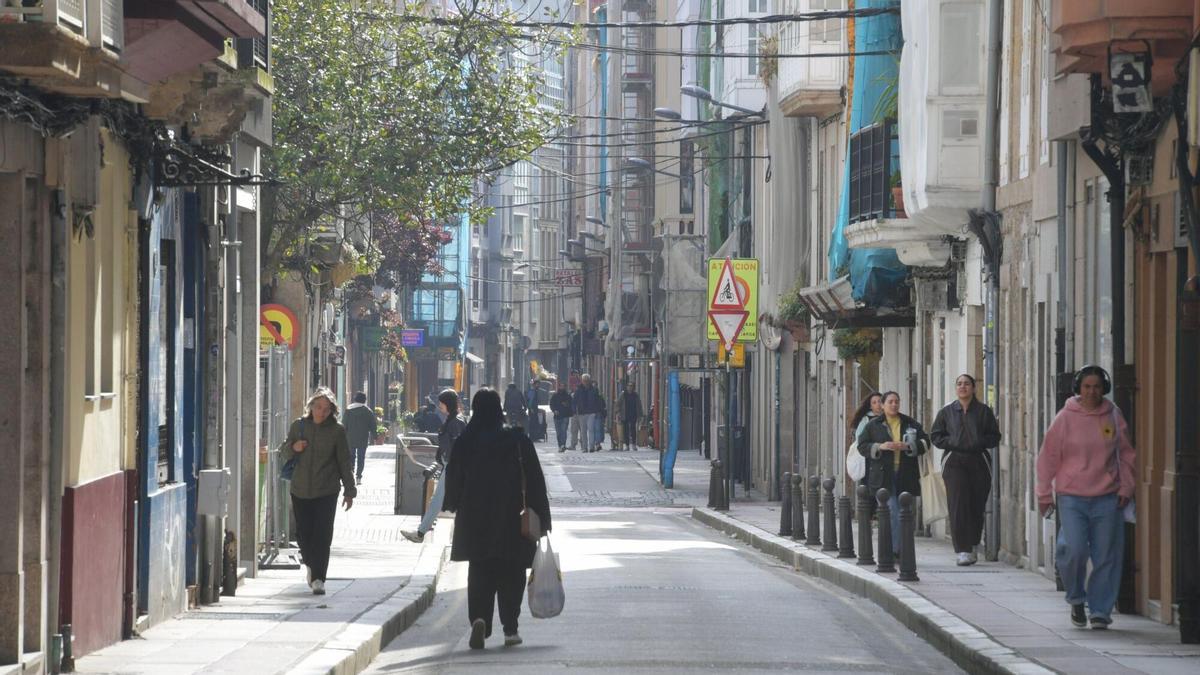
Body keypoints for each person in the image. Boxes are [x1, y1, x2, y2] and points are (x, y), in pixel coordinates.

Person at [444, 388, 551, 649]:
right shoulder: (517, 440)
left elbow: (454, 476)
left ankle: (480, 619)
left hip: (475, 518)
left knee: (479, 571)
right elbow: (535, 479)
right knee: (512, 572)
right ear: (499, 409)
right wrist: (543, 518)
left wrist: (452, 503)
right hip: (512, 518)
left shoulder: (466, 440)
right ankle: (510, 628)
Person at [1036, 365, 1135, 630]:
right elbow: (1048, 457)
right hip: (1072, 497)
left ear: (1105, 388)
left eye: (1097, 387)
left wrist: (1126, 487)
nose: (1092, 392)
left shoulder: (1113, 415)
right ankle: (1076, 598)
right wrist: (1044, 493)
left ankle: (1100, 610)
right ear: (1078, 388)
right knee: (1074, 550)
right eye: (1087, 387)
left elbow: (1126, 454)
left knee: (1106, 555)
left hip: (1107, 496)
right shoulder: (1065, 418)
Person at [278, 387, 356, 595]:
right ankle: (311, 565)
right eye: (319, 407)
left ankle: (319, 578)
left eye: (327, 409)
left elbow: (344, 461)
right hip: (300, 489)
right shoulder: (298, 426)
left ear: (332, 411)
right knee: (303, 534)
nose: (322, 412)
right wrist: (294, 447)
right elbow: (283, 451)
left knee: (322, 534)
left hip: (327, 490)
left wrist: (350, 490)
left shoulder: (337, 431)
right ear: (311, 406)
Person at [930, 374, 1002, 566]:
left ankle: (973, 544)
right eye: (959, 384)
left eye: (967, 384)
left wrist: (979, 442)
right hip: (954, 461)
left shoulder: (983, 411)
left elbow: (995, 436)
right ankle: (962, 550)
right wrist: (952, 442)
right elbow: (935, 436)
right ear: (956, 388)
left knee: (976, 505)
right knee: (958, 504)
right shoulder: (946, 412)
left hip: (979, 461)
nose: (963, 387)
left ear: (973, 388)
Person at [857, 391, 930, 555]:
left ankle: (900, 549)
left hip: (905, 474)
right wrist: (880, 447)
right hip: (883, 476)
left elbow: (926, 442)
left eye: (896, 401)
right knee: (891, 511)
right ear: (883, 405)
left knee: (904, 512)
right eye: (890, 402)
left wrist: (908, 446)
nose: (894, 404)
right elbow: (862, 446)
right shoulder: (873, 425)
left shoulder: (909, 423)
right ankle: (894, 550)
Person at [403, 389, 467, 543]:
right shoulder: (454, 419)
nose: (439, 405)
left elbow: (457, 446)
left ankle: (420, 533)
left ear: (447, 403)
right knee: (444, 500)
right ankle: (421, 532)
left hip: (453, 466)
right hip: (452, 465)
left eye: (441, 402)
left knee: (438, 500)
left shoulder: (455, 422)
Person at [342, 392, 378, 485]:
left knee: (351, 457)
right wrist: (375, 436)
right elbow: (373, 425)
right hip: (363, 439)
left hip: (350, 439)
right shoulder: (368, 411)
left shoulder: (348, 410)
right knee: (361, 458)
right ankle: (358, 477)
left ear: (355, 399)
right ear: (364, 400)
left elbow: (344, 425)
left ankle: (351, 473)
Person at [573, 374, 600, 452]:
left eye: (587, 380)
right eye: (584, 380)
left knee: (591, 430)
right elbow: (574, 401)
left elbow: (597, 401)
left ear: (589, 381)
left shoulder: (594, 390)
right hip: (581, 413)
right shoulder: (578, 390)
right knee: (583, 431)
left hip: (591, 413)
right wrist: (574, 410)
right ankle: (584, 447)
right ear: (582, 381)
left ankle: (591, 447)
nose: (585, 382)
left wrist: (597, 410)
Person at [549, 382, 574, 452]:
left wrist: (567, 405)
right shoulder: (555, 396)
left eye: (563, 386)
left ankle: (563, 445)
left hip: (565, 416)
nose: (562, 387)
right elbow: (551, 404)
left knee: (564, 431)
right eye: (561, 386)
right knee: (558, 433)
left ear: (565, 387)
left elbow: (571, 405)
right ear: (559, 387)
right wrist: (554, 410)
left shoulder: (568, 396)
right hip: (557, 416)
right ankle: (560, 445)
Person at [617, 382, 642, 451]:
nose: (630, 387)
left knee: (633, 429)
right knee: (625, 430)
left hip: (633, 414)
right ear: (626, 387)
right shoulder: (623, 394)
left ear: (633, 387)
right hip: (625, 414)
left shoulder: (635, 395)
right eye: (628, 386)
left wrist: (640, 415)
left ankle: (634, 444)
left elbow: (639, 405)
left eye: (631, 386)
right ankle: (627, 445)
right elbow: (618, 403)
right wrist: (618, 412)